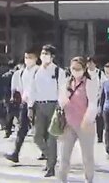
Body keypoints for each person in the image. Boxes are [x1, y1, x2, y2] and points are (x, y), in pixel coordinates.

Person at [57, 57, 99, 183]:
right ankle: (62, 179)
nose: (75, 71)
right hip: (68, 124)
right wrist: (63, 102)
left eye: (78, 68)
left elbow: (93, 103)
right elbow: (60, 99)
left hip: (85, 124)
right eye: (73, 68)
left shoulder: (89, 83)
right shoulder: (67, 82)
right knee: (64, 156)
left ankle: (89, 179)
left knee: (87, 157)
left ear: (84, 69)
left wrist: (88, 120)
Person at [28, 44, 66, 177]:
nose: (43, 56)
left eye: (46, 54)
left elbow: (62, 90)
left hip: (53, 106)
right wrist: (30, 106)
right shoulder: (36, 71)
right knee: (37, 136)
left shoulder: (58, 72)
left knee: (51, 138)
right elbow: (31, 89)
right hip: (39, 106)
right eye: (42, 54)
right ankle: (51, 158)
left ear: (52, 56)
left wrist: (60, 107)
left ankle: (51, 166)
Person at [5, 48, 39, 163]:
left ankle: (47, 153)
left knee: (40, 130)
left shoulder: (38, 71)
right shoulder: (22, 72)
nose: (27, 60)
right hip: (25, 104)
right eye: (26, 57)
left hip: (36, 104)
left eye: (30, 57)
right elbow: (21, 88)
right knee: (21, 128)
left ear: (36, 58)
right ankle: (15, 153)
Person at [86, 56, 107, 144]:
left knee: (99, 118)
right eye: (88, 63)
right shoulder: (84, 73)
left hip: (97, 98)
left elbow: (104, 84)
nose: (90, 65)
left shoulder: (100, 73)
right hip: (86, 98)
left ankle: (99, 136)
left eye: (92, 63)